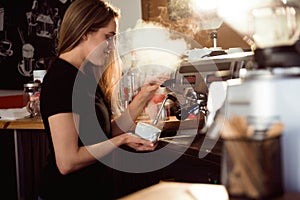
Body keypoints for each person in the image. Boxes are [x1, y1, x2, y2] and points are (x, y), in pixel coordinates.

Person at [38, 0, 160, 199]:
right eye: (108, 37)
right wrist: (123, 140)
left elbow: (105, 133)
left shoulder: (85, 76)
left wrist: (145, 95)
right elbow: (67, 162)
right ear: (85, 32)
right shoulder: (61, 80)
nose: (112, 47)